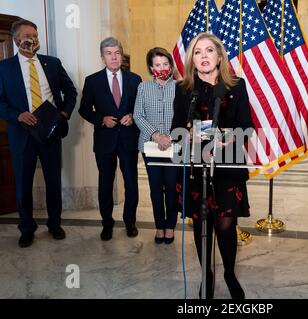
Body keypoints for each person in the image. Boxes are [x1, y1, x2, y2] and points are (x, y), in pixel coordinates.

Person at [171, 33, 253, 299]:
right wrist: (187, 134)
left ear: (219, 56)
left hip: (228, 166)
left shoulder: (236, 86)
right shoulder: (184, 89)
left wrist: (229, 136)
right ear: (191, 59)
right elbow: (175, 128)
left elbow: (247, 125)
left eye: (209, 51)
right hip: (196, 167)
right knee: (202, 223)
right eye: (197, 52)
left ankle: (229, 273)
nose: (203, 56)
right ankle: (207, 274)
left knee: (226, 225)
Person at [0, 19, 77, 248]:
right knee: (23, 182)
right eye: (26, 35)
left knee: (53, 180)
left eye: (34, 34)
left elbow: (70, 91)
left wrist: (63, 113)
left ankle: (55, 224)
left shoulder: (52, 63)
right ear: (16, 40)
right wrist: (17, 115)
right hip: (22, 134)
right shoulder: (4, 68)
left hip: (50, 132)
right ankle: (26, 228)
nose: (32, 38)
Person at [79, 37, 142, 241]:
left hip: (128, 139)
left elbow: (140, 108)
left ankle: (130, 221)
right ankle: (107, 223)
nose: (113, 57)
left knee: (131, 182)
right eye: (109, 53)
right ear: (102, 57)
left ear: (121, 55)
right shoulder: (92, 80)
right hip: (105, 141)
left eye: (116, 53)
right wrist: (101, 119)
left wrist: (133, 116)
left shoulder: (135, 79)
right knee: (105, 183)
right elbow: (84, 109)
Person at [133, 47, 178, 244]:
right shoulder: (143, 87)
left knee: (171, 187)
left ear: (171, 65)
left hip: (174, 146)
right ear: (151, 68)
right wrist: (156, 135)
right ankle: (159, 227)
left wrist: (169, 138)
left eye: (165, 64)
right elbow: (137, 115)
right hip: (150, 146)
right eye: (157, 65)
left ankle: (170, 228)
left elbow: (185, 116)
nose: (162, 68)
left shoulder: (181, 87)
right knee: (155, 188)